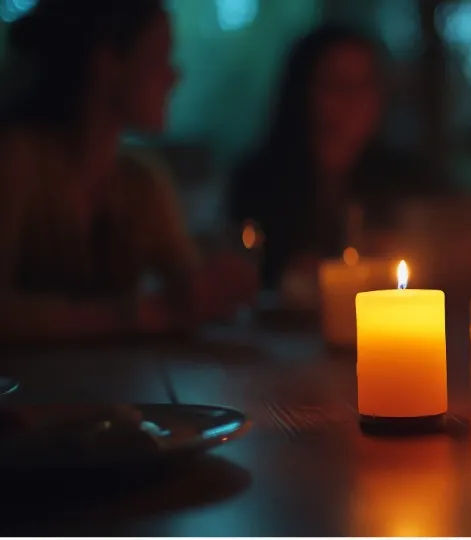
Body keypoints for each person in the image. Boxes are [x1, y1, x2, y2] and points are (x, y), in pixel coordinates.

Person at [0, 0, 257, 343]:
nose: (174, 75)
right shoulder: (17, 160)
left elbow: (187, 295)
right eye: (159, 57)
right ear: (107, 62)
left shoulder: (141, 181)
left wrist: (211, 287)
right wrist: (138, 315)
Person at [227, 24, 442, 287]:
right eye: (336, 83)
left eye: (364, 84)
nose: (353, 98)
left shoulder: (411, 181)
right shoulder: (259, 182)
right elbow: (246, 271)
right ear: (304, 90)